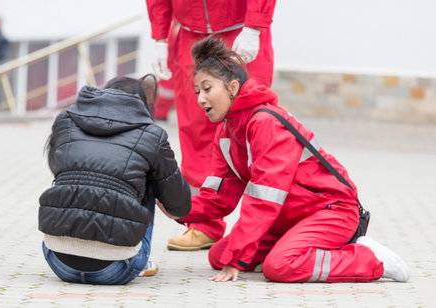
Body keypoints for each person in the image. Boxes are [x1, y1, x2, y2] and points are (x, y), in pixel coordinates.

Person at [170, 36, 410, 283]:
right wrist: (171, 204)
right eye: (197, 91)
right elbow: (219, 199)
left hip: (330, 211)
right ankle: (304, 250)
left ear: (232, 87)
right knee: (219, 256)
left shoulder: (265, 122)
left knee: (279, 266)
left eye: (207, 89)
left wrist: (237, 260)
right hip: (286, 219)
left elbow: (264, 199)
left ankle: (371, 259)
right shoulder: (226, 132)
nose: (200, 99)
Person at [146, 0, 277, 251]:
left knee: (255, 127)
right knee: (195, 129)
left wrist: (254, 25)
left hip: (240, 30)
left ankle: (268, 226)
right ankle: (204, 224)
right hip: (189, 35)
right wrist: (160, 38)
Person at [38, 75, 191, 285]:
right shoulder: (152, 134)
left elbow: (56, 168)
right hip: (117, 269)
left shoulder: (66, 120)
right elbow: (180, 206)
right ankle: (137, 259)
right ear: (141, 104)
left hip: (59, 263)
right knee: (148, 177)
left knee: (73, 174)